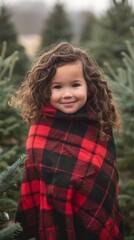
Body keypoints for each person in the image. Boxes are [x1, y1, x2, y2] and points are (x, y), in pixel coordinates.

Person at [9, 42, 124, 240]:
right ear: (45, 90)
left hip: (93, 213)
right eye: (57, 87)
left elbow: (105, 179)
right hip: (53, 218)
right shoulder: (40, 129)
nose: (68, 94)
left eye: (75, 85)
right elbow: (35, 182)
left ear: (89, 84)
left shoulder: (99, 123)